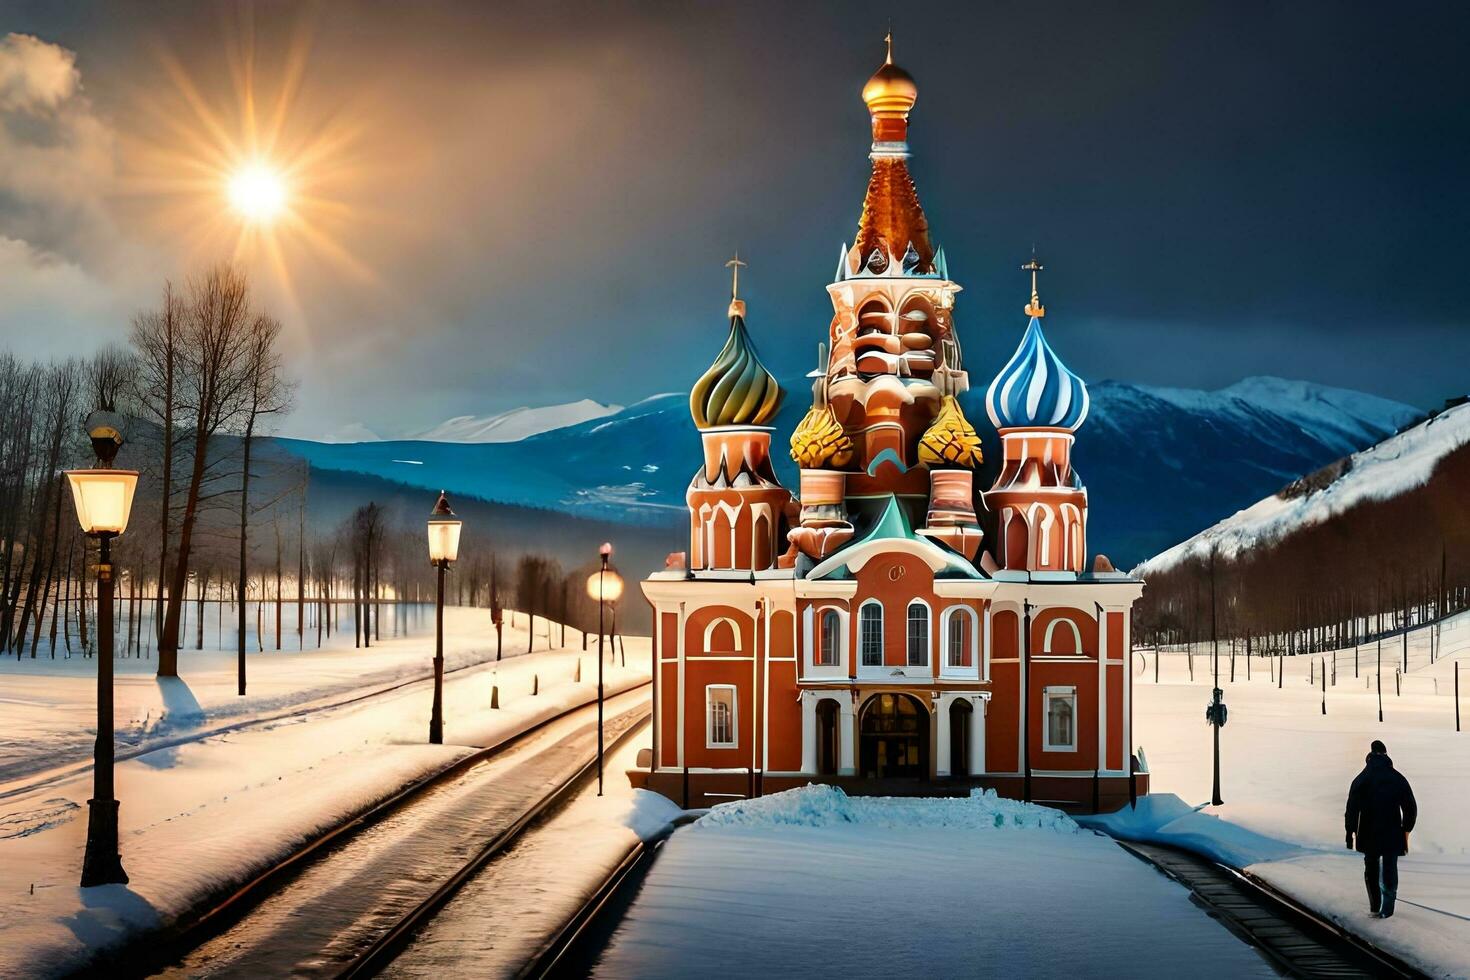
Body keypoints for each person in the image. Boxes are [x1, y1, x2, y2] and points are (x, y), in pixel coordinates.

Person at [1345, 739, 1417, 918]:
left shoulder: (1362, 778)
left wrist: (1350, 832)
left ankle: (1374, 906)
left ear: (1369, 756)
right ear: (1386, 755)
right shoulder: (1397, 778)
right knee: (1390, 867)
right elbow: (1410, 806)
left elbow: (1352, 808)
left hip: (1368, 832)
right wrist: (1406, 829)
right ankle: (1388, 910)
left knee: (1371, 867)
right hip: (1392, 831)